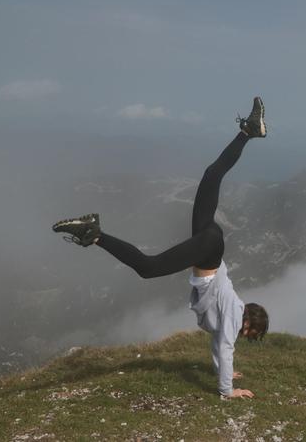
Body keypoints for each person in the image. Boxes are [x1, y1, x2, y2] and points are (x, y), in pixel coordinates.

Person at [52, 97, 270, 399]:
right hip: (209, 249)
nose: (246, 337)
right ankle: (95, 234)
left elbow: (220, 345)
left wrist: (226, 370)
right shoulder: (234, 317)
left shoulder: (233, 313)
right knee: (148, 267)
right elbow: (224, 345)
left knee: (211, 175)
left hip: (210, 243)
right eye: (252, 335)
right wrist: (227, 390)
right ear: (250, 325)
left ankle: (248, 131)